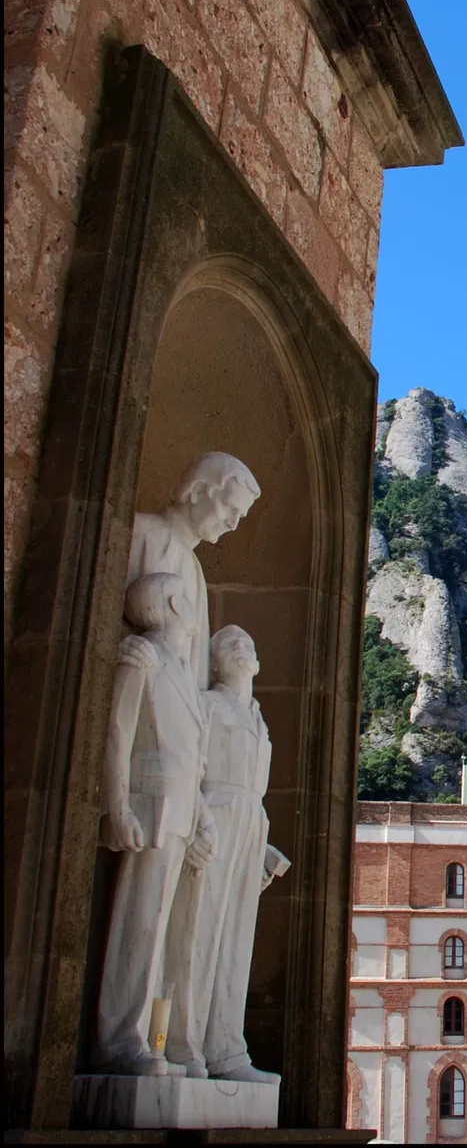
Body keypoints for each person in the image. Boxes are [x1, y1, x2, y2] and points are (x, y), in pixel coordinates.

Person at [93, 572, 218, 1075]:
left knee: (164, 929)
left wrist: (203, 817)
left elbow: (192, 761)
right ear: (171, 602)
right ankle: (119, 1039)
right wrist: (115, 805)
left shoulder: (184, 675)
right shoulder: (140, 656)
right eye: (187, 600)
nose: (193, 610)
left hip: (181, 814)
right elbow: (119, 735)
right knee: (138, 922)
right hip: (148, 810)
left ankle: (150, 1036)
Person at [164, 626, 289, 1083]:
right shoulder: (208, 706)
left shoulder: (258, 718)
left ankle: (227, 1049)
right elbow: (187, 768)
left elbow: (252, 792)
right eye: (229, 646)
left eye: (248, 645)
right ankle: (182, 1045)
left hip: (249, 825)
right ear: (213, 662)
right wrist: (198, 820)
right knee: (197, 931)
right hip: (214, 818)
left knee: (236, 942)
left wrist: (262, 847)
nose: (242, 650)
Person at [123, 452, 260, 685]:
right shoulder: (138, 533)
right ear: (197, 492)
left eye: (241, 516)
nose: (233, 524)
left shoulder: (195, 570)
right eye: (229, 508)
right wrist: (120, 646)